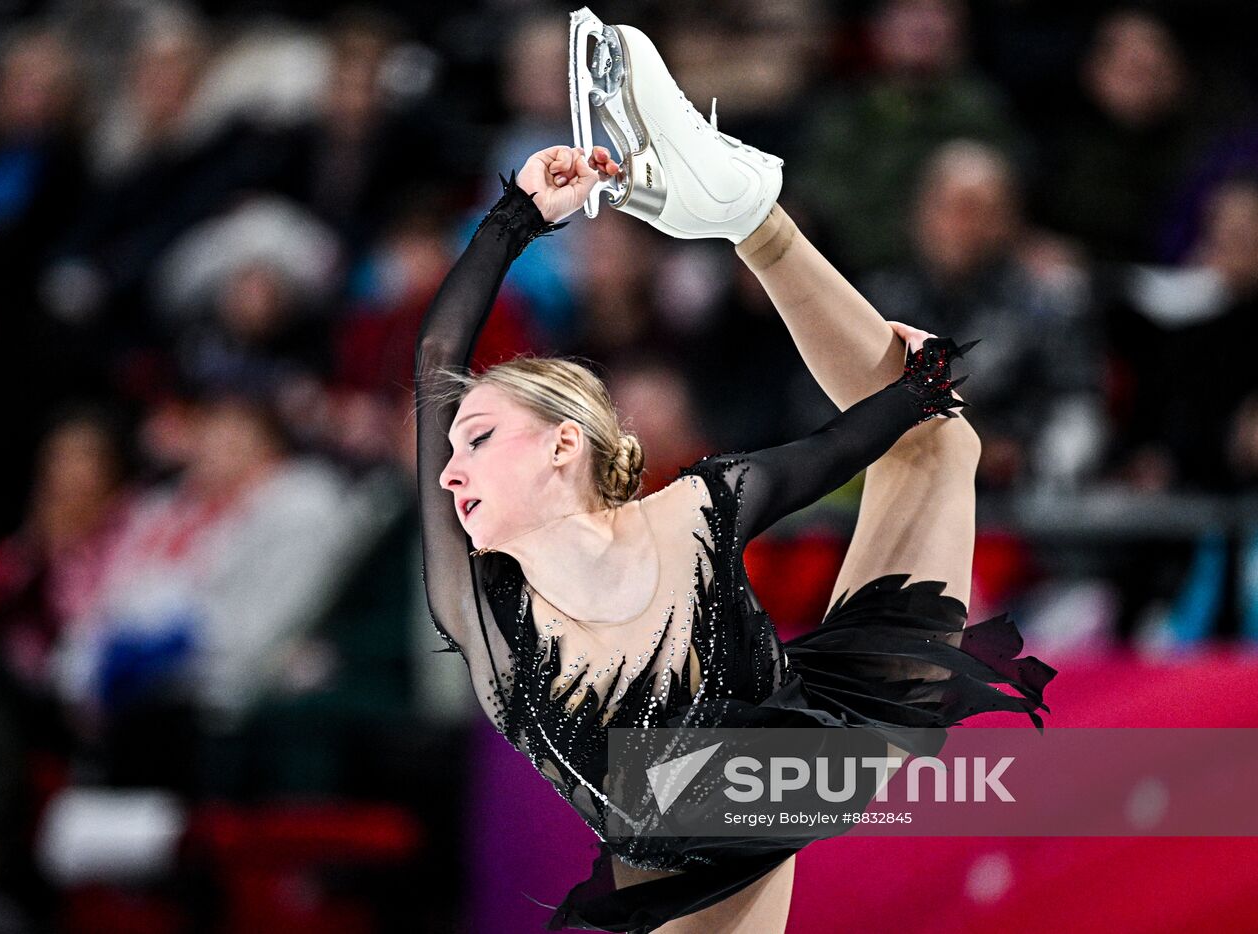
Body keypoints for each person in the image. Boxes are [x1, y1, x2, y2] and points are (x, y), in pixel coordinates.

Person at [413, 20, 1056, 933]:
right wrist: (516, 215)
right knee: (937, 441)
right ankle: (748, 214)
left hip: (779, 765)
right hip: (721, 804)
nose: (447, 474)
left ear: (562, 445)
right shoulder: (497, 593)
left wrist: (917, 393)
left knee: (938, 443)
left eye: (475, 439)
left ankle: (750, 214)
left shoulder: (684, 513)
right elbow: (436, 360)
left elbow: (833, 451)